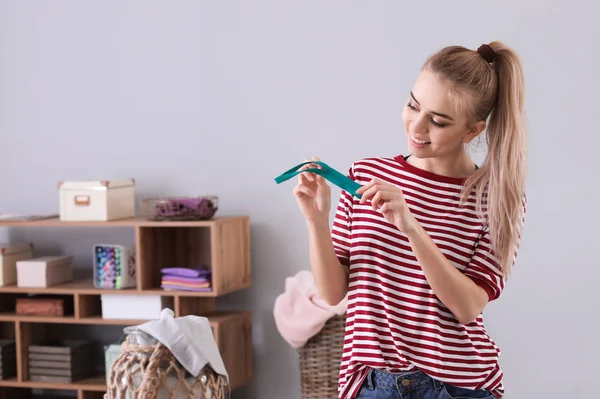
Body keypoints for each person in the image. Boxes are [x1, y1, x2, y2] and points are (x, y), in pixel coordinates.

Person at [292, 41, 527, 399]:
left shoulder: (496, 199)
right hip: (372, 384)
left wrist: (411, 226)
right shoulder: (365, 174)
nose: (417, 126)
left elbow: (467, 307)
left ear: (472, 131)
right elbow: (334, 293)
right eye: (413, 105)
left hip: (455, 387)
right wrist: (316, 220)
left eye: (438, 121)